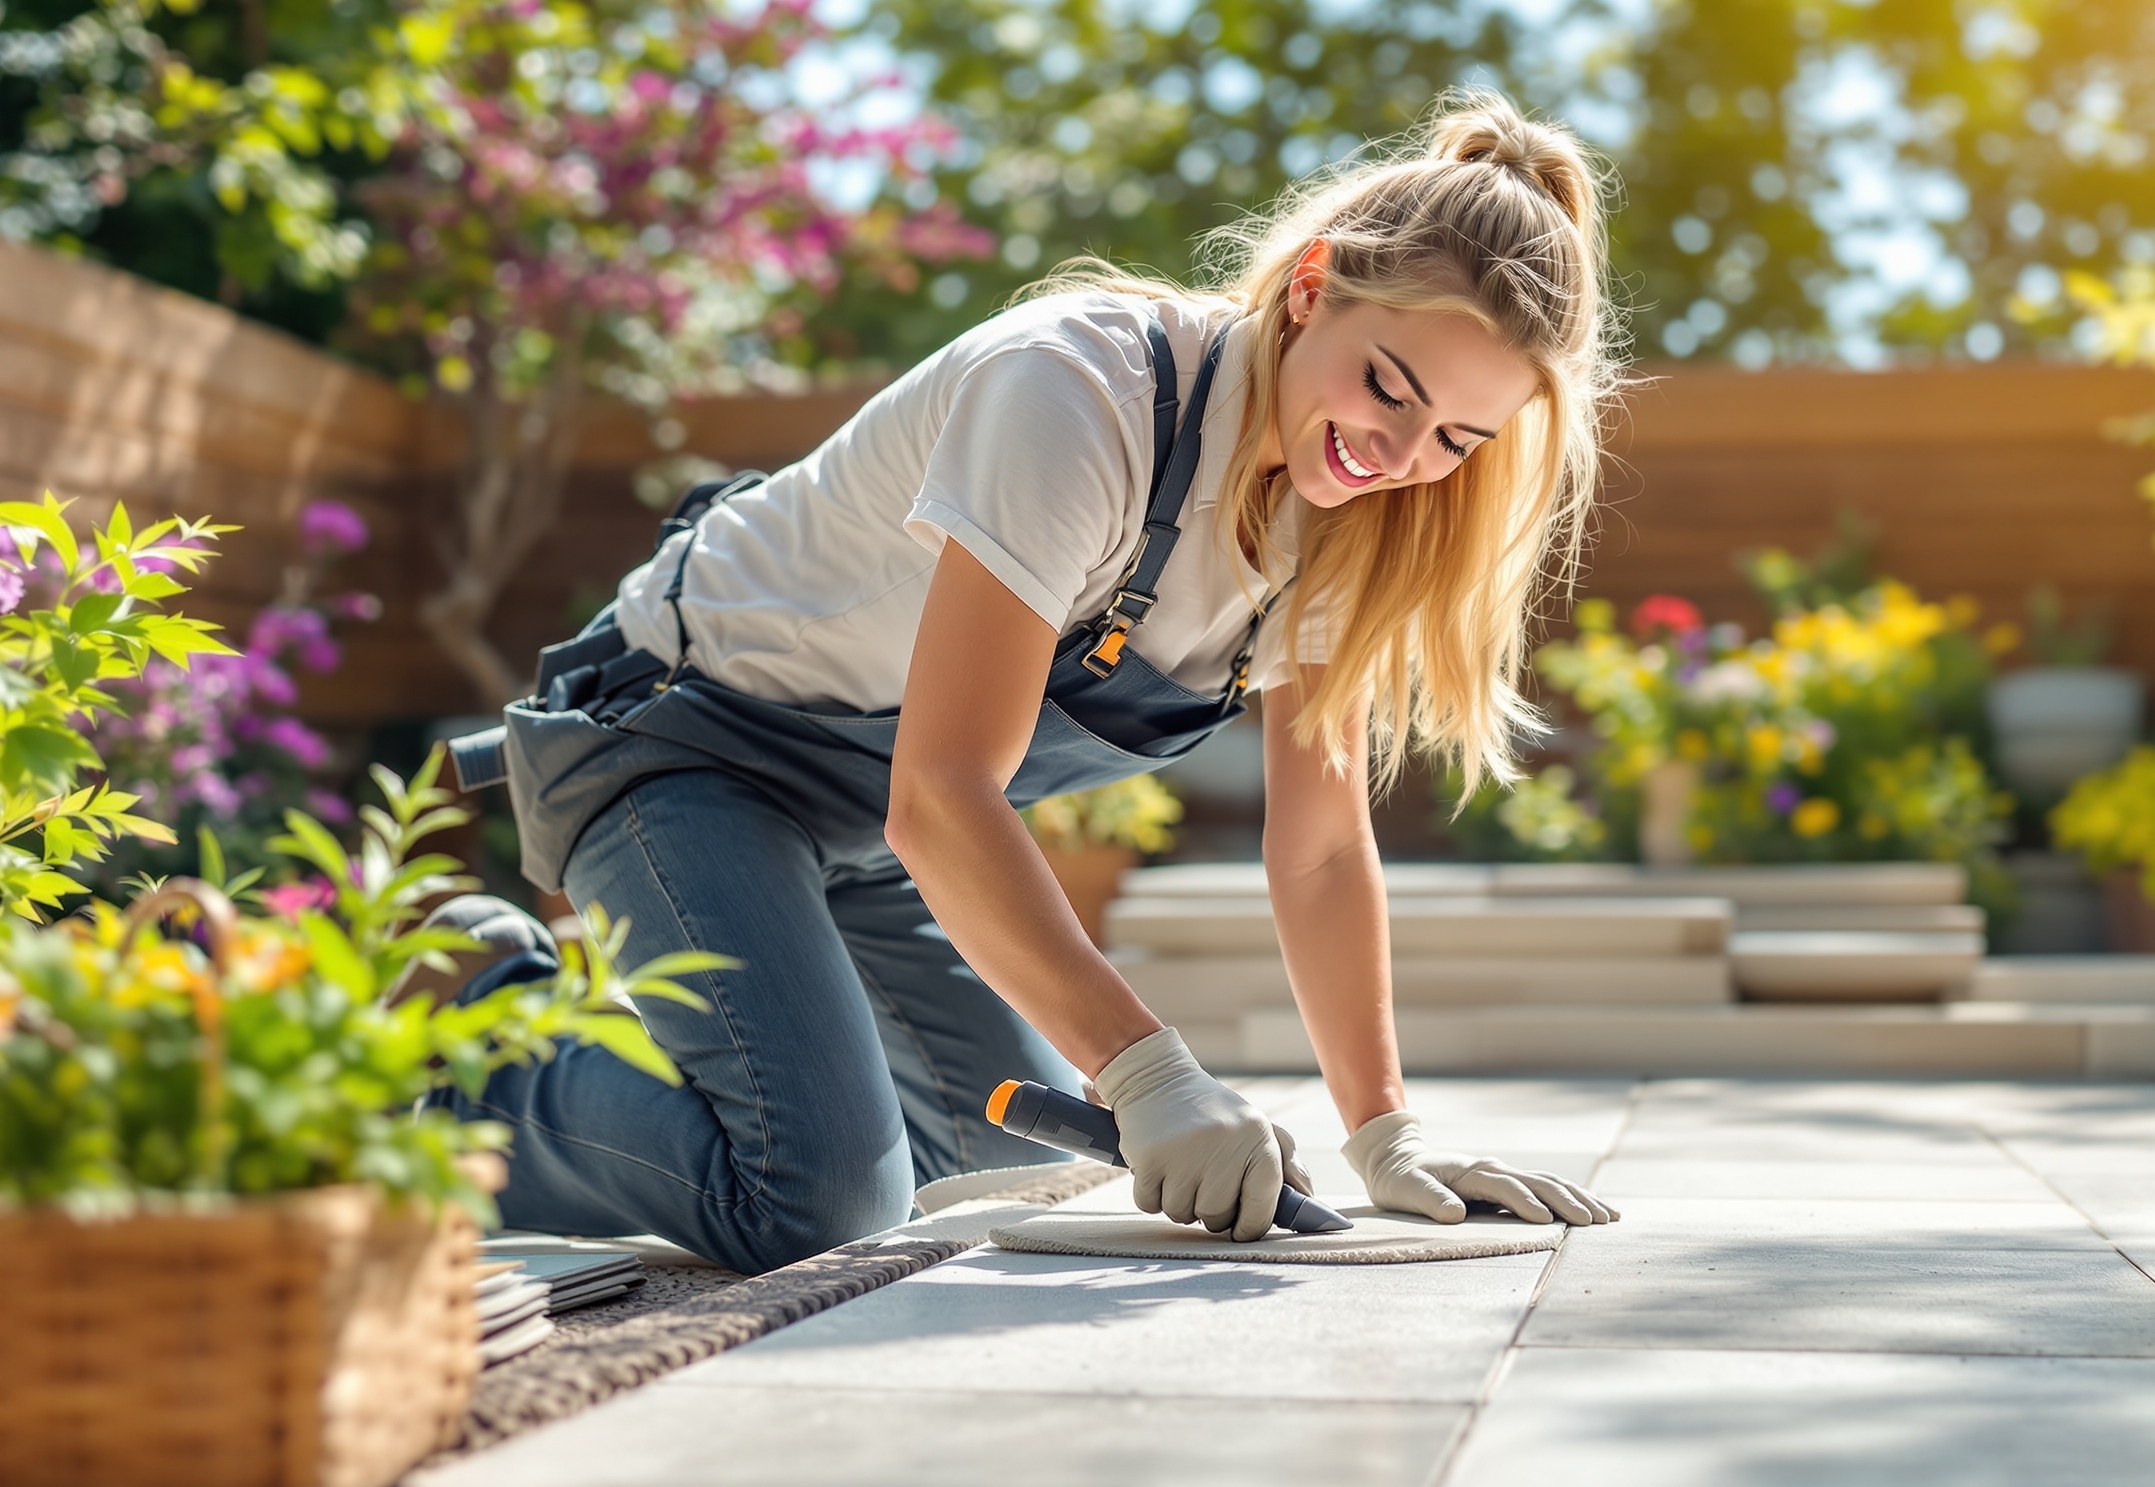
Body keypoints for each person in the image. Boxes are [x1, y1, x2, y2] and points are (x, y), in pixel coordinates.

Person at [446, 90, 1626, 1275]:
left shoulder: (1341, 522)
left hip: (866, 823)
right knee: (814, 1200)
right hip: (676, 745)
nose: (1400, 457)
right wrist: (1150, 1068)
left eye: (1458, 441)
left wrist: (1384, 1131)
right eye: (1387, 386)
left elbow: (1317, 847)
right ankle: (465, 1038)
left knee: (996, 1163)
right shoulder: (1076, 396)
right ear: (1313, 286)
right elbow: (947, 791)